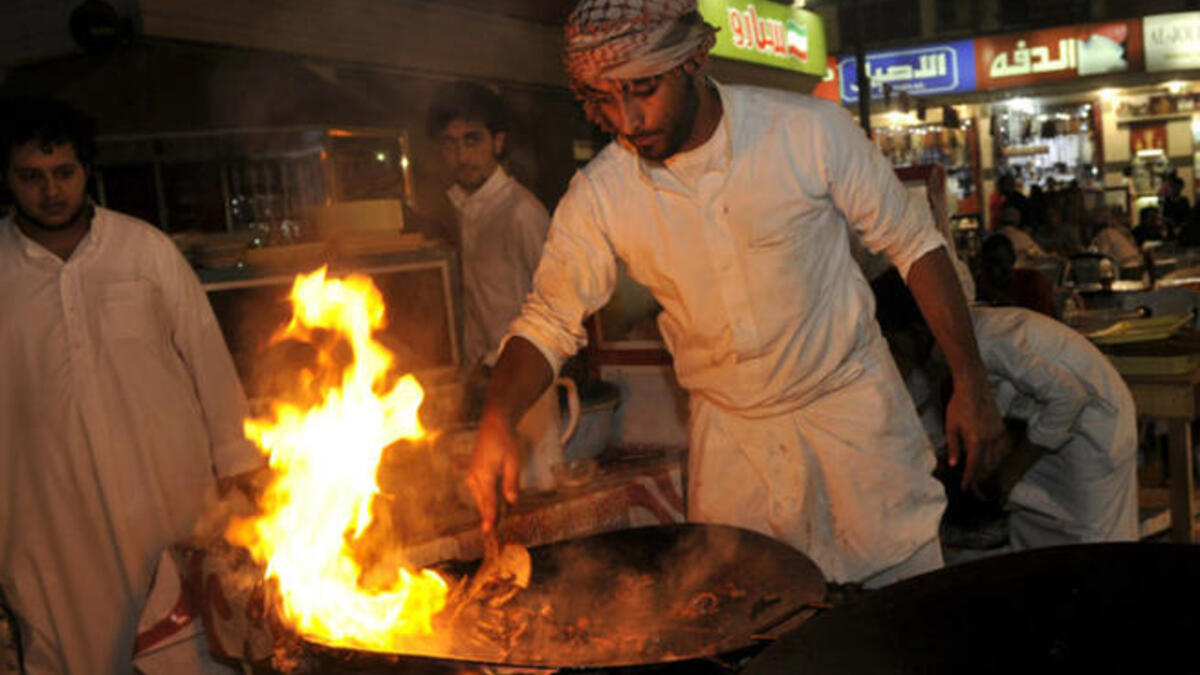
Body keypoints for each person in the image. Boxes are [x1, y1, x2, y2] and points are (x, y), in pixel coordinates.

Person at [466, 0, 1005, 586]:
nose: (627, 119)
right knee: (758, 632)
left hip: (851, 422)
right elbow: (547, 322)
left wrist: (970, 381)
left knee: (900, 621)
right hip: (733, 449)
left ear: (694, 60)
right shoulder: (600, 195)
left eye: (643, 90)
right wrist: (498, 419)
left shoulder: (809, 133)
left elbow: (915, 245)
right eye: (603, 100)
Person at [0, 98, 262, 673]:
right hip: (49, 520)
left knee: (190, 652)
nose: (51, 191)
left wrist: (237, 468)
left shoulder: (144, 251)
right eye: (31, 177)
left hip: (167, 501)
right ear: (8, 179)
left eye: (63, 173)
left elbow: (209, 364)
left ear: (86, 171)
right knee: (73, 652)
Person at [874, 271, 1138, 550]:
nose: (888, 356)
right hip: (1044, 429)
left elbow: (1069, 396)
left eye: (889, 344)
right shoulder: (937, 350)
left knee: (1090, 544)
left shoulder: (984, 340)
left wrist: (1011, 471)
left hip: (1091, 427)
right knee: (1037, 540)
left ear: (916, 331)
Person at [426, 82, 562, 491]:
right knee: (488, 497)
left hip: (528, 382)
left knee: (534, 493)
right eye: (450, 143)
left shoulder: (520, 212)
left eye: (473, 140)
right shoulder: (463, 212)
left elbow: (558, 307)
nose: (462, 154)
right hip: (482, 386)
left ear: (498, 142)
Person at [976, 234, 1056, 318]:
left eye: (999, 262)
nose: (994, 271)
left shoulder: (1033, 282)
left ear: (1012, 259)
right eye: (988, 266)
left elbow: (1043, 320)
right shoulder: (981, 284)